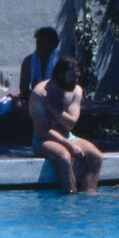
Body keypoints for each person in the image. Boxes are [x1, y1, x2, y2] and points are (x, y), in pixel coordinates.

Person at [39, 56, 104, 195]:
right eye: (72, 77)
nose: (75, 80)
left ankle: (89, 197)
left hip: (68, 136)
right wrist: (68, 145)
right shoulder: (41, 93)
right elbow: (42, 130)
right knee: (64, 157)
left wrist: (51, 109)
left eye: (77, 77)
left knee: (97, 157)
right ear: (60, 75)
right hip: (44, 139)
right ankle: (70, 199)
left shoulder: (76, 91)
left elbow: (70, 124)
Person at [18, 28, 64, 156]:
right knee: (18, 105)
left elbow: (65, 88)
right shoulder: (28, 61)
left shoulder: (61, 61)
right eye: (37, 42)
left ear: (52, 44)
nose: (38, 45)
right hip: (34, 101)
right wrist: (36, 99)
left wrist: (48, 101)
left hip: (54, 102)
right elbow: (23, 88)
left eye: (42, 42)